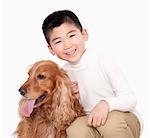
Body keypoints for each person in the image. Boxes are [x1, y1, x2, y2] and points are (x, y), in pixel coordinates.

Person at [42, 10, 141, 138]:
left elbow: (130, 99)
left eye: (71, 36)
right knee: (75, 129)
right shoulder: (63, 74)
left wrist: (106, 104)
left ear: (84, 34)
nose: (67, 45)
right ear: (51, 49)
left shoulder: (102, 59)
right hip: (91, 122)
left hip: (123, 119)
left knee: (109, 123)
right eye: (58, 42)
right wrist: (73, 99)